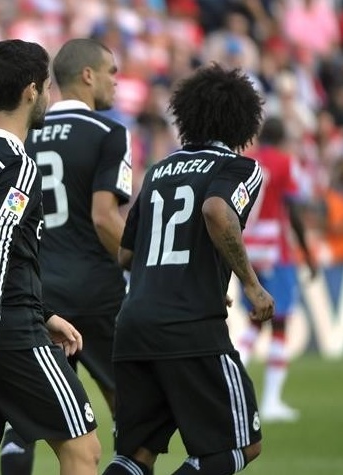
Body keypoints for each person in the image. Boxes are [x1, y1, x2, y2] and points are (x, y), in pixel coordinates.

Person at [0, 39, 102, 475]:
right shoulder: (18, 164)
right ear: (31, 91)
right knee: (84, 451)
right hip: (5, 328)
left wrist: (44, 312)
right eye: (46, 87)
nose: (48, 95)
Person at [102, 64, 274, 475]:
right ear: (243, 120)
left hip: (134, 326)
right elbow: (216, 211)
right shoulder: (240, 168)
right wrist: (252, 285)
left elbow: (126, 254)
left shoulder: (159, 171)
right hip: (189, 327)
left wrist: (192, 276)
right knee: (241, 446)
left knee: (135, 456)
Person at [0, 38, 130, 475]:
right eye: (111, 72)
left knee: (25, 415)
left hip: (38, 291)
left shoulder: (27, 135)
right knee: (129, 403)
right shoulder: (109, 133)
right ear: (88, 75)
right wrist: (142, 264)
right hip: (96, 289)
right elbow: (104, 217)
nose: (116, 82)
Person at [238, 116, 316, 423]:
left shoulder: (247, 162)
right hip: (276, 250)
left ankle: (230, 388)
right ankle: (271, 401)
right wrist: (306, 253)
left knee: (255, 323)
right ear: (282, 138)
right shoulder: (285, 162)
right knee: (280, 324)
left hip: (248, 249)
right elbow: (293, 211)